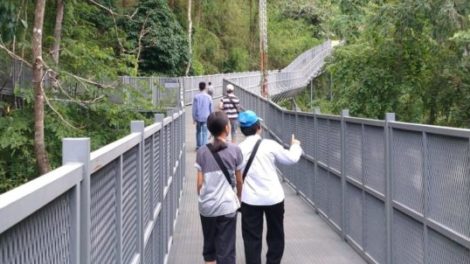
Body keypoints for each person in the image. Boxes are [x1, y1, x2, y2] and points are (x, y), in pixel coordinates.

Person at [238, 110, 302, 264]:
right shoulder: (270, 145)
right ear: (258, 127)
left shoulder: (238, 149)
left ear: (242, 129)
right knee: (276, 234)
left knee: (251, 237)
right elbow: (291, 159)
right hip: (273, 198)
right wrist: (295, 146)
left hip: (250, 199)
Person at [195, 111, 244, 264]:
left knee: (209, 251)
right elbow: (239, 180)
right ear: (226, 128)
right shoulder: (235, 150)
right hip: (227, 206)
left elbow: (199, 183)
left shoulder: (202, 151)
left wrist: (203, 198)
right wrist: (239, 197)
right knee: (227, 251)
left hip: (207, 207)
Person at [192, 82, 213, 150]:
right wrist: (211, 117)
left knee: (198, 131)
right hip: (206, 117)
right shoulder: (209, 97)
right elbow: (211, 108)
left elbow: (194, 108)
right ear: (205, 87)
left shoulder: (196, 97)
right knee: (205, 132)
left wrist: (194, 118)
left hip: (198, 117)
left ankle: (198, 146)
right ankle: (204, 147)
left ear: (199, 87)